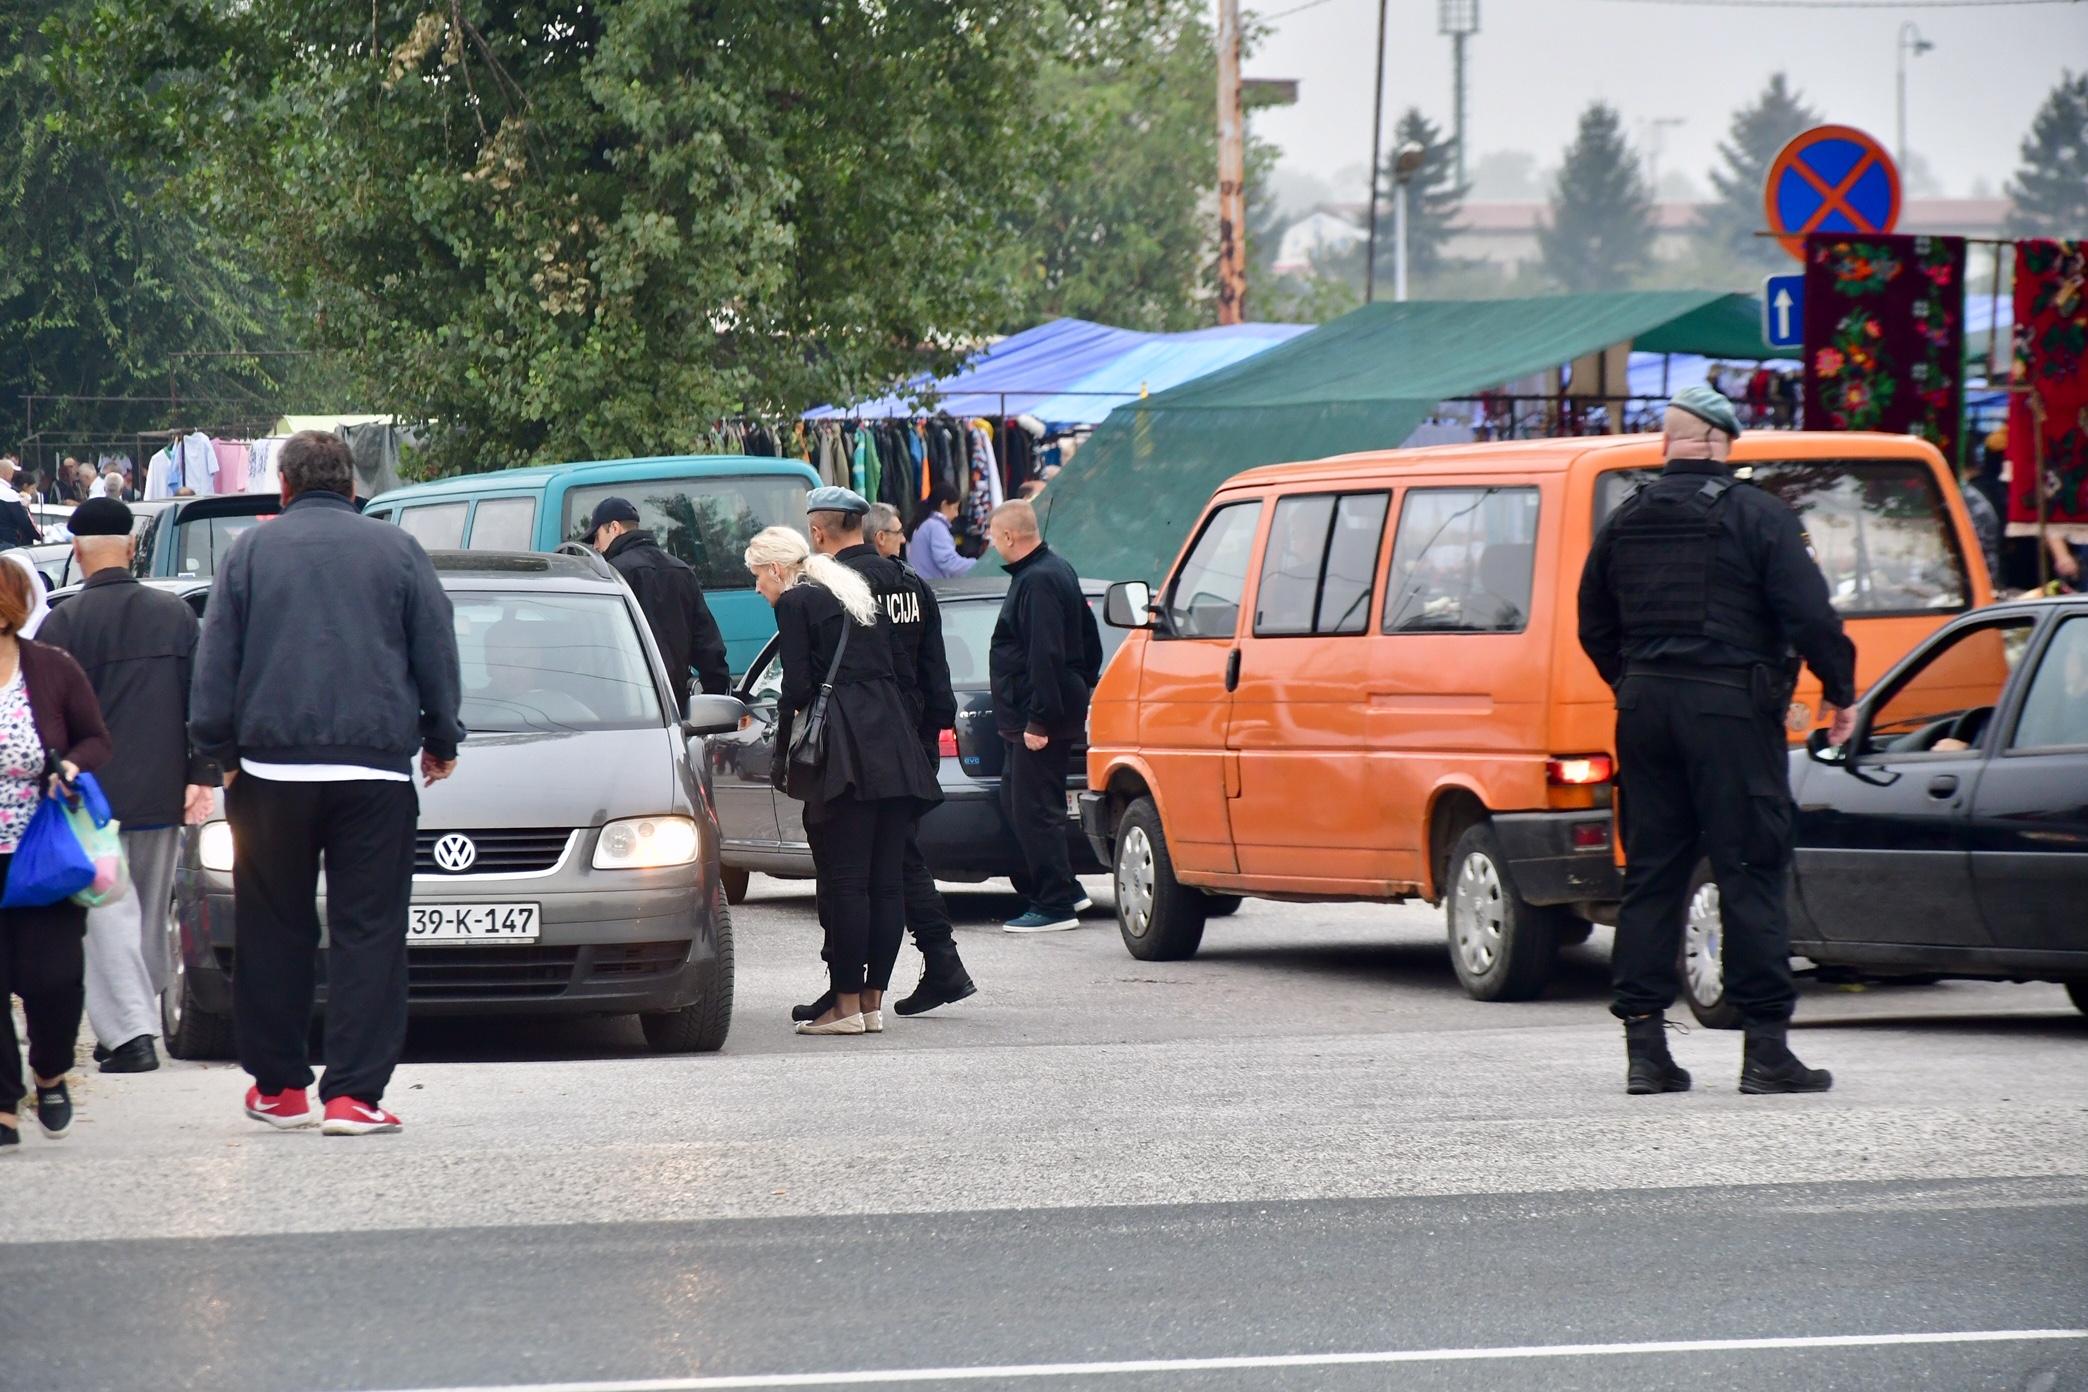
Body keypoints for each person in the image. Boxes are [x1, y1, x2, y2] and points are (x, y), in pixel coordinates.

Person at [1578, 386, 1857, 1098]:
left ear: (1671, 444)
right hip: (1730, 710)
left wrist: (1638, 683)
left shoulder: (1624, 520)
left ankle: (1646, 1052)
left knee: (1653, 871)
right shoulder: (1760, 516)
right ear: (1718, 442)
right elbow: (1809, 615)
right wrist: (1840, 689)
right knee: (1749, 865)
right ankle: (1766, 1051)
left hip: (1644, 708)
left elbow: (1593, 624)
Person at [191, 431, 464, 1136]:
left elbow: (216, 657)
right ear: (352, 488)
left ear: (282, 487)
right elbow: (435, 642)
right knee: (368, 929)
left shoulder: (249, 553)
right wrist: (440, 738)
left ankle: (280, 1088)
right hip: (373, 770)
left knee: (274, 924)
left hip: (270, 772)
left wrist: (218, 751)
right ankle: (353, 1096)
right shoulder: (397, 550)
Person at [38, 498, 217, 1075]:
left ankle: (131, 1034)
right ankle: (135, 1026)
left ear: (76, 551)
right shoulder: (174, 617)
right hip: (162, 792)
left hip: (90, 799)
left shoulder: (62, 624)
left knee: (104, 912)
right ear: (133, 546)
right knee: (142, 910)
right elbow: (202, 704)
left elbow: (48, 720)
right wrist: (200, 776)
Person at [746, 524, 940, 1036]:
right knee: (885, 882)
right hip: (895, 748)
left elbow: (799, 687)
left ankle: (845, 1006)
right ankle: (872, 1002)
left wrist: (782, 749)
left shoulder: (795, 603)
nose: (758, 590)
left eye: (757, 578)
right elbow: (901, 669)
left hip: (847, 756)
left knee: (847, 882)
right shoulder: (854, 591)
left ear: (776, 569)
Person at [794, 488, 976, 1023]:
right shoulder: (914, 586)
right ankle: (922, 969)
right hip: (908, 737)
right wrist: (928, 733)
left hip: (859, 740)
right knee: (894, 864)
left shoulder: (839, 587)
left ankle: (857, 989)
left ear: (821, 531)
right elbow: (933, 669)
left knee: (862, 873)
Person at [0, 558, 111, 1152]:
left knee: (54, 979)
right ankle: (2, 1105)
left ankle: (48, 1072)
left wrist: (68, 764)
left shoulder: (51, 668)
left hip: (42, 852)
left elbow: (97, 737)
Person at [985, 499, 1103, 934]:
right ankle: (1065, 887)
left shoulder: (1038, 581)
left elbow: (1046, 654)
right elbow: (1089, 646)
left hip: (1040, 716)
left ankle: (1054, 904)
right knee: (1018, 798)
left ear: (1010, 537)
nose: (993, 543)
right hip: (1040, 711)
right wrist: (1080, 685)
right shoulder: (1055, 570)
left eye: (995, 536)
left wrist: (1041, 719)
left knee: (1036, 808)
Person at [586, 497, 730, 710]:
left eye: (596, 537)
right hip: (673, 706)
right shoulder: (681, 571)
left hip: (622, 706)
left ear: (613, 528)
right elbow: (707, 646)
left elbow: (597, 646)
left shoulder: (612, 575)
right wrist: (717, 706)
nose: (596, 546)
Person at [905, 482, 976, 580]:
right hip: (933, 587)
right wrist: (979, 565)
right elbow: (948, 562)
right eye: (955, 508)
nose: (956, 514)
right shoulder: (936, 527)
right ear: (944, 504)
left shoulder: (922, 523)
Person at [0, 458, 41, 548]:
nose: (13, 475)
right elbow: (24, 521)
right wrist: (39, 536)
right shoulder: (9, 495)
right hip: (6, 544)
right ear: (5, 473)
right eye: (12, 471)